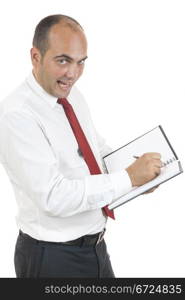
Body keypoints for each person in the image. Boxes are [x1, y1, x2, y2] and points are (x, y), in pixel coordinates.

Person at [0, 14, 162, 278]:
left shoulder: (72, 94)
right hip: (51, 258)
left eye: (81, 62)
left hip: (95, 248)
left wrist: (137, 178)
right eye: (63, 60)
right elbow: (53, 197)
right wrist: (127, 179)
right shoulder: (16, 115)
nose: (73, 74)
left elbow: (95, 151)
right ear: (35, 56)